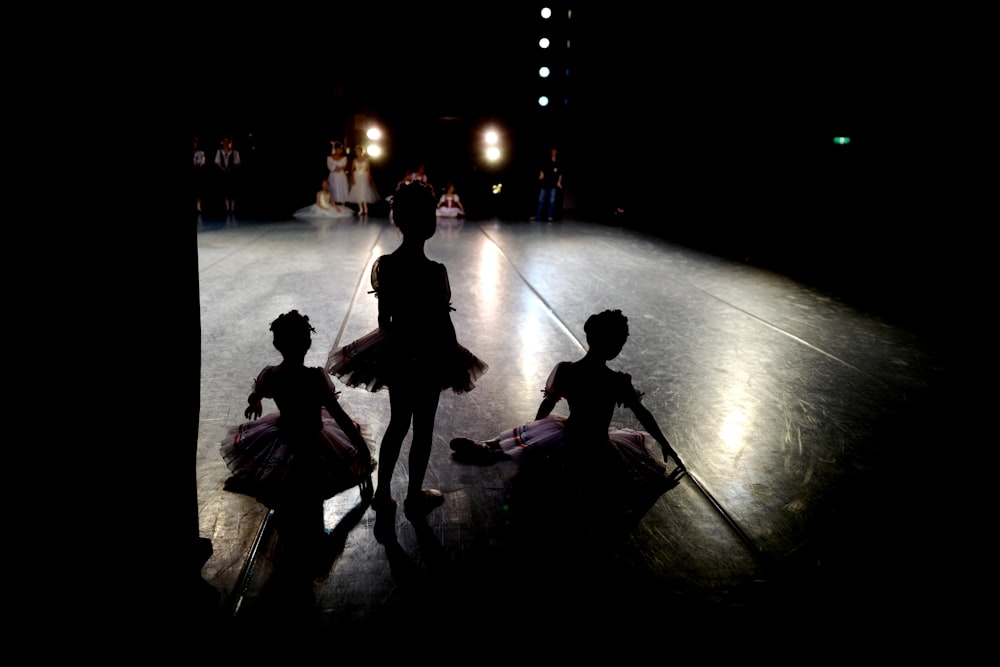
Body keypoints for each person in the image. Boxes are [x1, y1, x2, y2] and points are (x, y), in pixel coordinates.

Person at [326, 181, 488, 528]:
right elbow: (443, 324)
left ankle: (383, 493)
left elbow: (385, 320)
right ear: (429, 221)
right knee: (424, 427)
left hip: (398, 353)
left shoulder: (387, 265)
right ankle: (414, 494)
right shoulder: (434, 271)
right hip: (429, 356)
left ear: (399, 219)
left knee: (398, 424)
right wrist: (454, 359)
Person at [449, 309, 685, 521]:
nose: (620, 347)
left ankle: (490, 447)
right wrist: (665, 444)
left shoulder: (568, 370)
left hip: (569, 436)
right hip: (598, 446)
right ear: (613, 344)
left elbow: (548, 404)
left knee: (537, 451)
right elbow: (643, 415)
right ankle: (490, 448)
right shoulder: (617, 381)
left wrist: (534, 436)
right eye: (619, 342)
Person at [220, 310, 376, 574]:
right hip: (312, 443)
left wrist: (256, 401)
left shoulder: (272, 375)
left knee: (287, 501)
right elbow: (339, 416)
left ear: (277, 344)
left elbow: (256, 393)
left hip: (284, 434)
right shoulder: (314, 378)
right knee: (311, 492)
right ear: (308, 343)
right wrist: (359, 445)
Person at [347, 145, 380, 216]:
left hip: (364, 177)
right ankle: (360, 209)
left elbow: (368, 171)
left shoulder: (366, 160)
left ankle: (365, 208)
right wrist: (352, 178)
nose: (357, 153)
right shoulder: (354, 160)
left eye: (359, 151)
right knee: (357, 192)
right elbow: (352, 170)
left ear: (362, 152)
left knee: (364, 192)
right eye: (356, 152)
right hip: (357, 177)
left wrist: (368, 179)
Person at [532, 146, 562, 221]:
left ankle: (549, 216)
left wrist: (559, 182)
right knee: (540, 200)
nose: (553, 152)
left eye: (554, 151)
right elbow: (541, 168)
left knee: (552, 201)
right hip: (545, 183)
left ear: (556, 152)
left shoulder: (558, 163)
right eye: (552, 151)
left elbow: (560, 174)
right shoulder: (546, 160)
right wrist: (541, 174)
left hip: (553, 184)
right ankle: (537, 216)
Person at [214, 134, 241, 216]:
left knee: (232, 190)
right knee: (225, 190)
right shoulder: (219, 151)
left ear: (230, 142)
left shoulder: (234, 152)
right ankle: (227, 208)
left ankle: (232, 208)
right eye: (224, 141)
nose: (226, 143)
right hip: (223, 173)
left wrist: (230, 169)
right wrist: (222, 168)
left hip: (232, 173)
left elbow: (237, 163)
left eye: (227, 141)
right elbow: (217, 162)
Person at [327, 141, 350, 207]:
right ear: (335, 149)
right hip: (333, 176)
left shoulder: (344, 158)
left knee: (342, 189)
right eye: (339, 149)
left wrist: (337, 167)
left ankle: (343, 206)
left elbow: (343, 166)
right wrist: (336, 167)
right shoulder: (330, 158)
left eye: (341, 149)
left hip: (341, 175)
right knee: (333, 189)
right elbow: (330, 167)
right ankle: (332, 206)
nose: (340, 150)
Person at [192, 136, 207, 214]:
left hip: (197, 173)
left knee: (198, 191)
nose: (193, 144)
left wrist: (197, 164)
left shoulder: (200, 152)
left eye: (195, 143)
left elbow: (202, 162)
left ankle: (198, 207)